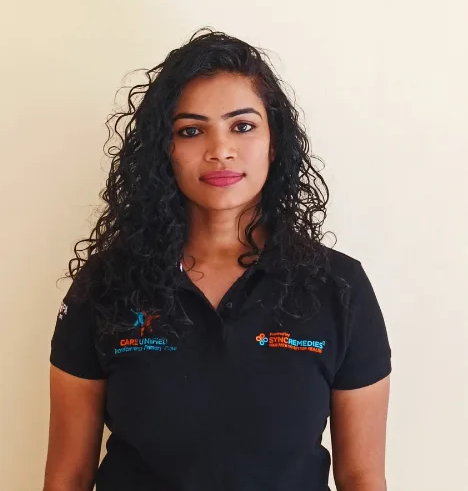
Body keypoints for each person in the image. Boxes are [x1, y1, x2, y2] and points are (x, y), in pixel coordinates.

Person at [44, 28, 391, 491]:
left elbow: (362, 476)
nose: (220, 150)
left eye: (242, 126)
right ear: (165, 150)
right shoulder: (105, 284)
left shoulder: (339, 286)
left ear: (274, 141)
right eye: (191, 131)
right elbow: (68, 476)